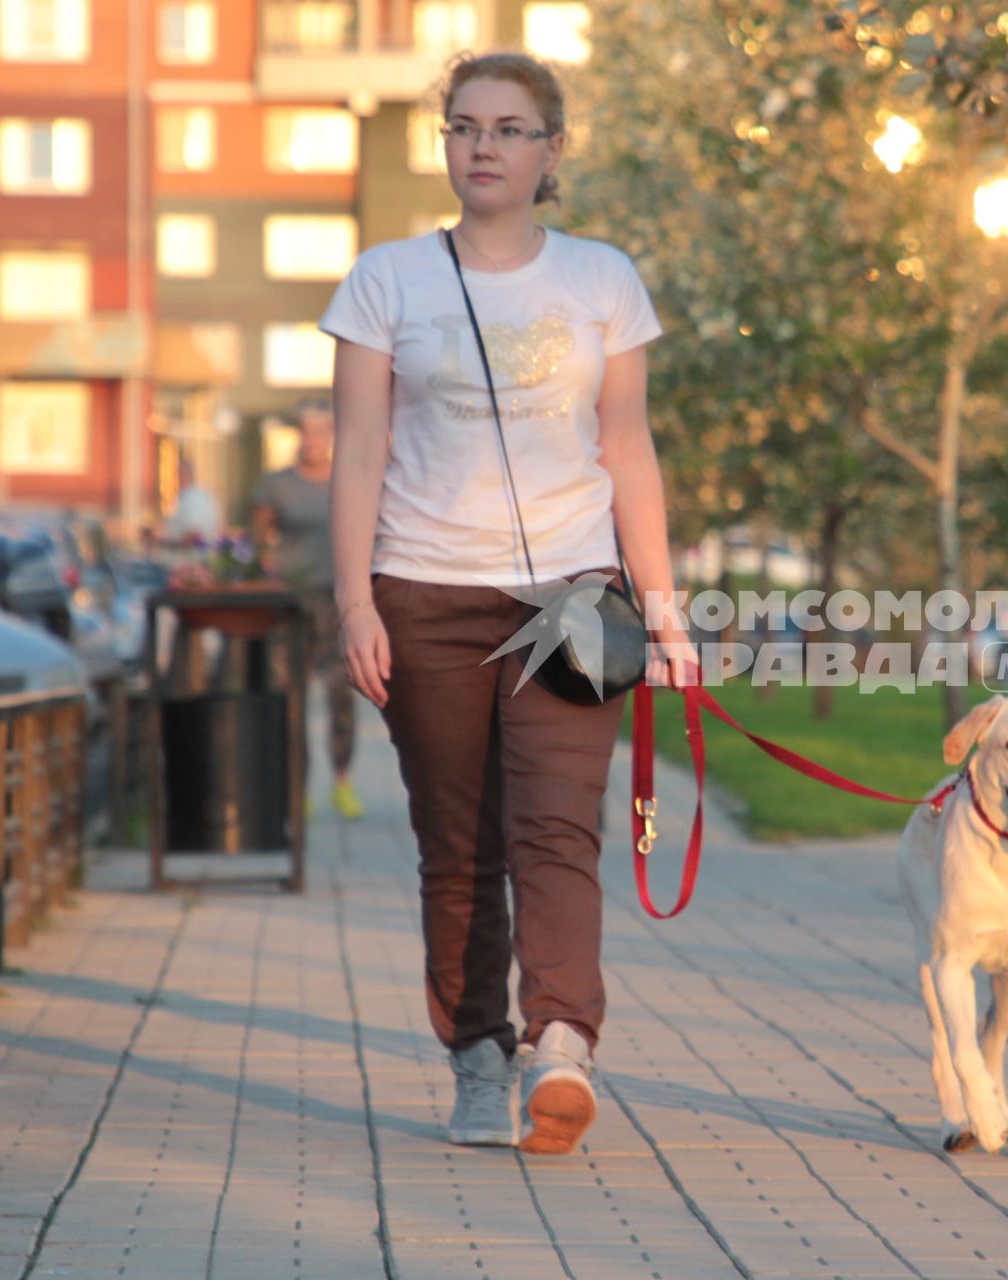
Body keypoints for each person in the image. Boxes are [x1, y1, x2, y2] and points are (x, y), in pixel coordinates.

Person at [323, 51, 696, 1156]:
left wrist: (663, 605)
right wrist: (355, 604)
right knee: (458, 843)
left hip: (574, 595)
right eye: (464, 125)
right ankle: (477, 1055)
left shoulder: (601, 280)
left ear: (551, 151)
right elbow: (356, 456)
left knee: (556, 827)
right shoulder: (386, 279)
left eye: (508, 128)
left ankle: (563, 1043)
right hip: (423, 592)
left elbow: (626, 445)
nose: (481, 146)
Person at [251, 398, 362, 820]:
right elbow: (258, 542)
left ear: (331, 437)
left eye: (322, 432)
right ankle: (298, 787)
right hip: (291, 602)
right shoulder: (276, 484)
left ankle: (343, 783)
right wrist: (268, 573)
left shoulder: (349, 478)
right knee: (290, 695)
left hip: (337, 600)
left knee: (342, 694)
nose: (313, 440)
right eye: (307, 431)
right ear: (297, 435)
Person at [167, 457, 222, 545]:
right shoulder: (181, 496)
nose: (176, 478)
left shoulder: (198, 497)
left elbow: (195, 533)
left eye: (178, 474)